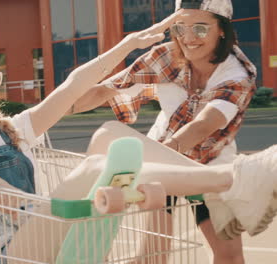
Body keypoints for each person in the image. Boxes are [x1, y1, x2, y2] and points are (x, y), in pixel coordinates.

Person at [0, 15, 277, 263]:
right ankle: (233, 180)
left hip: (46, 235)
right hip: (3, 255)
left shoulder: (12, 129)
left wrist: (127, 45)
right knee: (102, 166)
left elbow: (72, 87)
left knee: (112, 136)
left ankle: (225, 184)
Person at [71, 0, 261, 263]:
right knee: (153, 256)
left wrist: (161, 157)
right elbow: (108, 89)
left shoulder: (239, 73)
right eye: (180, 28)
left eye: (201, 29)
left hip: (210, 165)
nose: (189, 38)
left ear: (222, 30)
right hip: (161, 152)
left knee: (229, 258)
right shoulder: (164, 57)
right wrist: (61, 105)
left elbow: (204, 125)